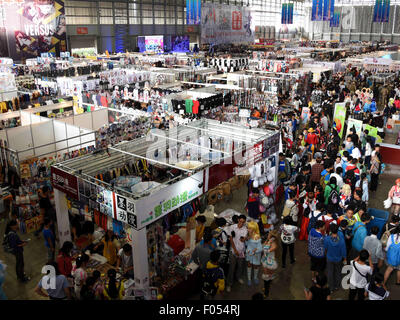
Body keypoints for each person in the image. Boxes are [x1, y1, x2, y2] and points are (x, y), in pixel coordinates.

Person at [226, 215, 248, 293]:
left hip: (241, 251)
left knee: (240, 266)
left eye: (243, 222)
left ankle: (238, 277)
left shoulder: (245, 229)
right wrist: (235, 250)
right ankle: (229, 284)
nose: (241, 223)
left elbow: (242, 240)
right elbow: (231, 239)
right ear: (238, 220)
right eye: (240, 221)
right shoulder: (232, 227)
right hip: (233, 251)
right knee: (231, 268)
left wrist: (244, 239)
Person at [324, 223, 347, 291]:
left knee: (330, 272)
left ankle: (331, 287)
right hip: (338, 259)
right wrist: (345, 259)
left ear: (330, 230)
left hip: (329, 258)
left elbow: (325, 248)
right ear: (338, 230)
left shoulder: (327, 239)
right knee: (338, 272)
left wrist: (326, 254)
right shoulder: (341, 240)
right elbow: (344, 251)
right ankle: (337, 285)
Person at [261, 230, 278, 299]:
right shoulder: (268, 241)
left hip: (270, 262)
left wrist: (268, 242)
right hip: (266, 259)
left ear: (272, 236)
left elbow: (266, 250)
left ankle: (266, 292)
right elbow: (263, 247)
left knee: (267, 277)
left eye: (269, 234)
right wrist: (267, 241)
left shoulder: (274, 244)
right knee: (267, 277)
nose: (267, 235)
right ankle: (266, 287)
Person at [245, 221, 262, 286]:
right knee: (249, 265)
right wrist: (246, 240)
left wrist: (255, 251)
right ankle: (249, 279)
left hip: (256, 255)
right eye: (248, 228)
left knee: (255, 266)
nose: (248, 229)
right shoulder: (248, 235)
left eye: (250, 228)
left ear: (254, 229)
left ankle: (255, 277)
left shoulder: (257, 236)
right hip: (249, 254)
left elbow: (260, 248)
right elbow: (247, 244)